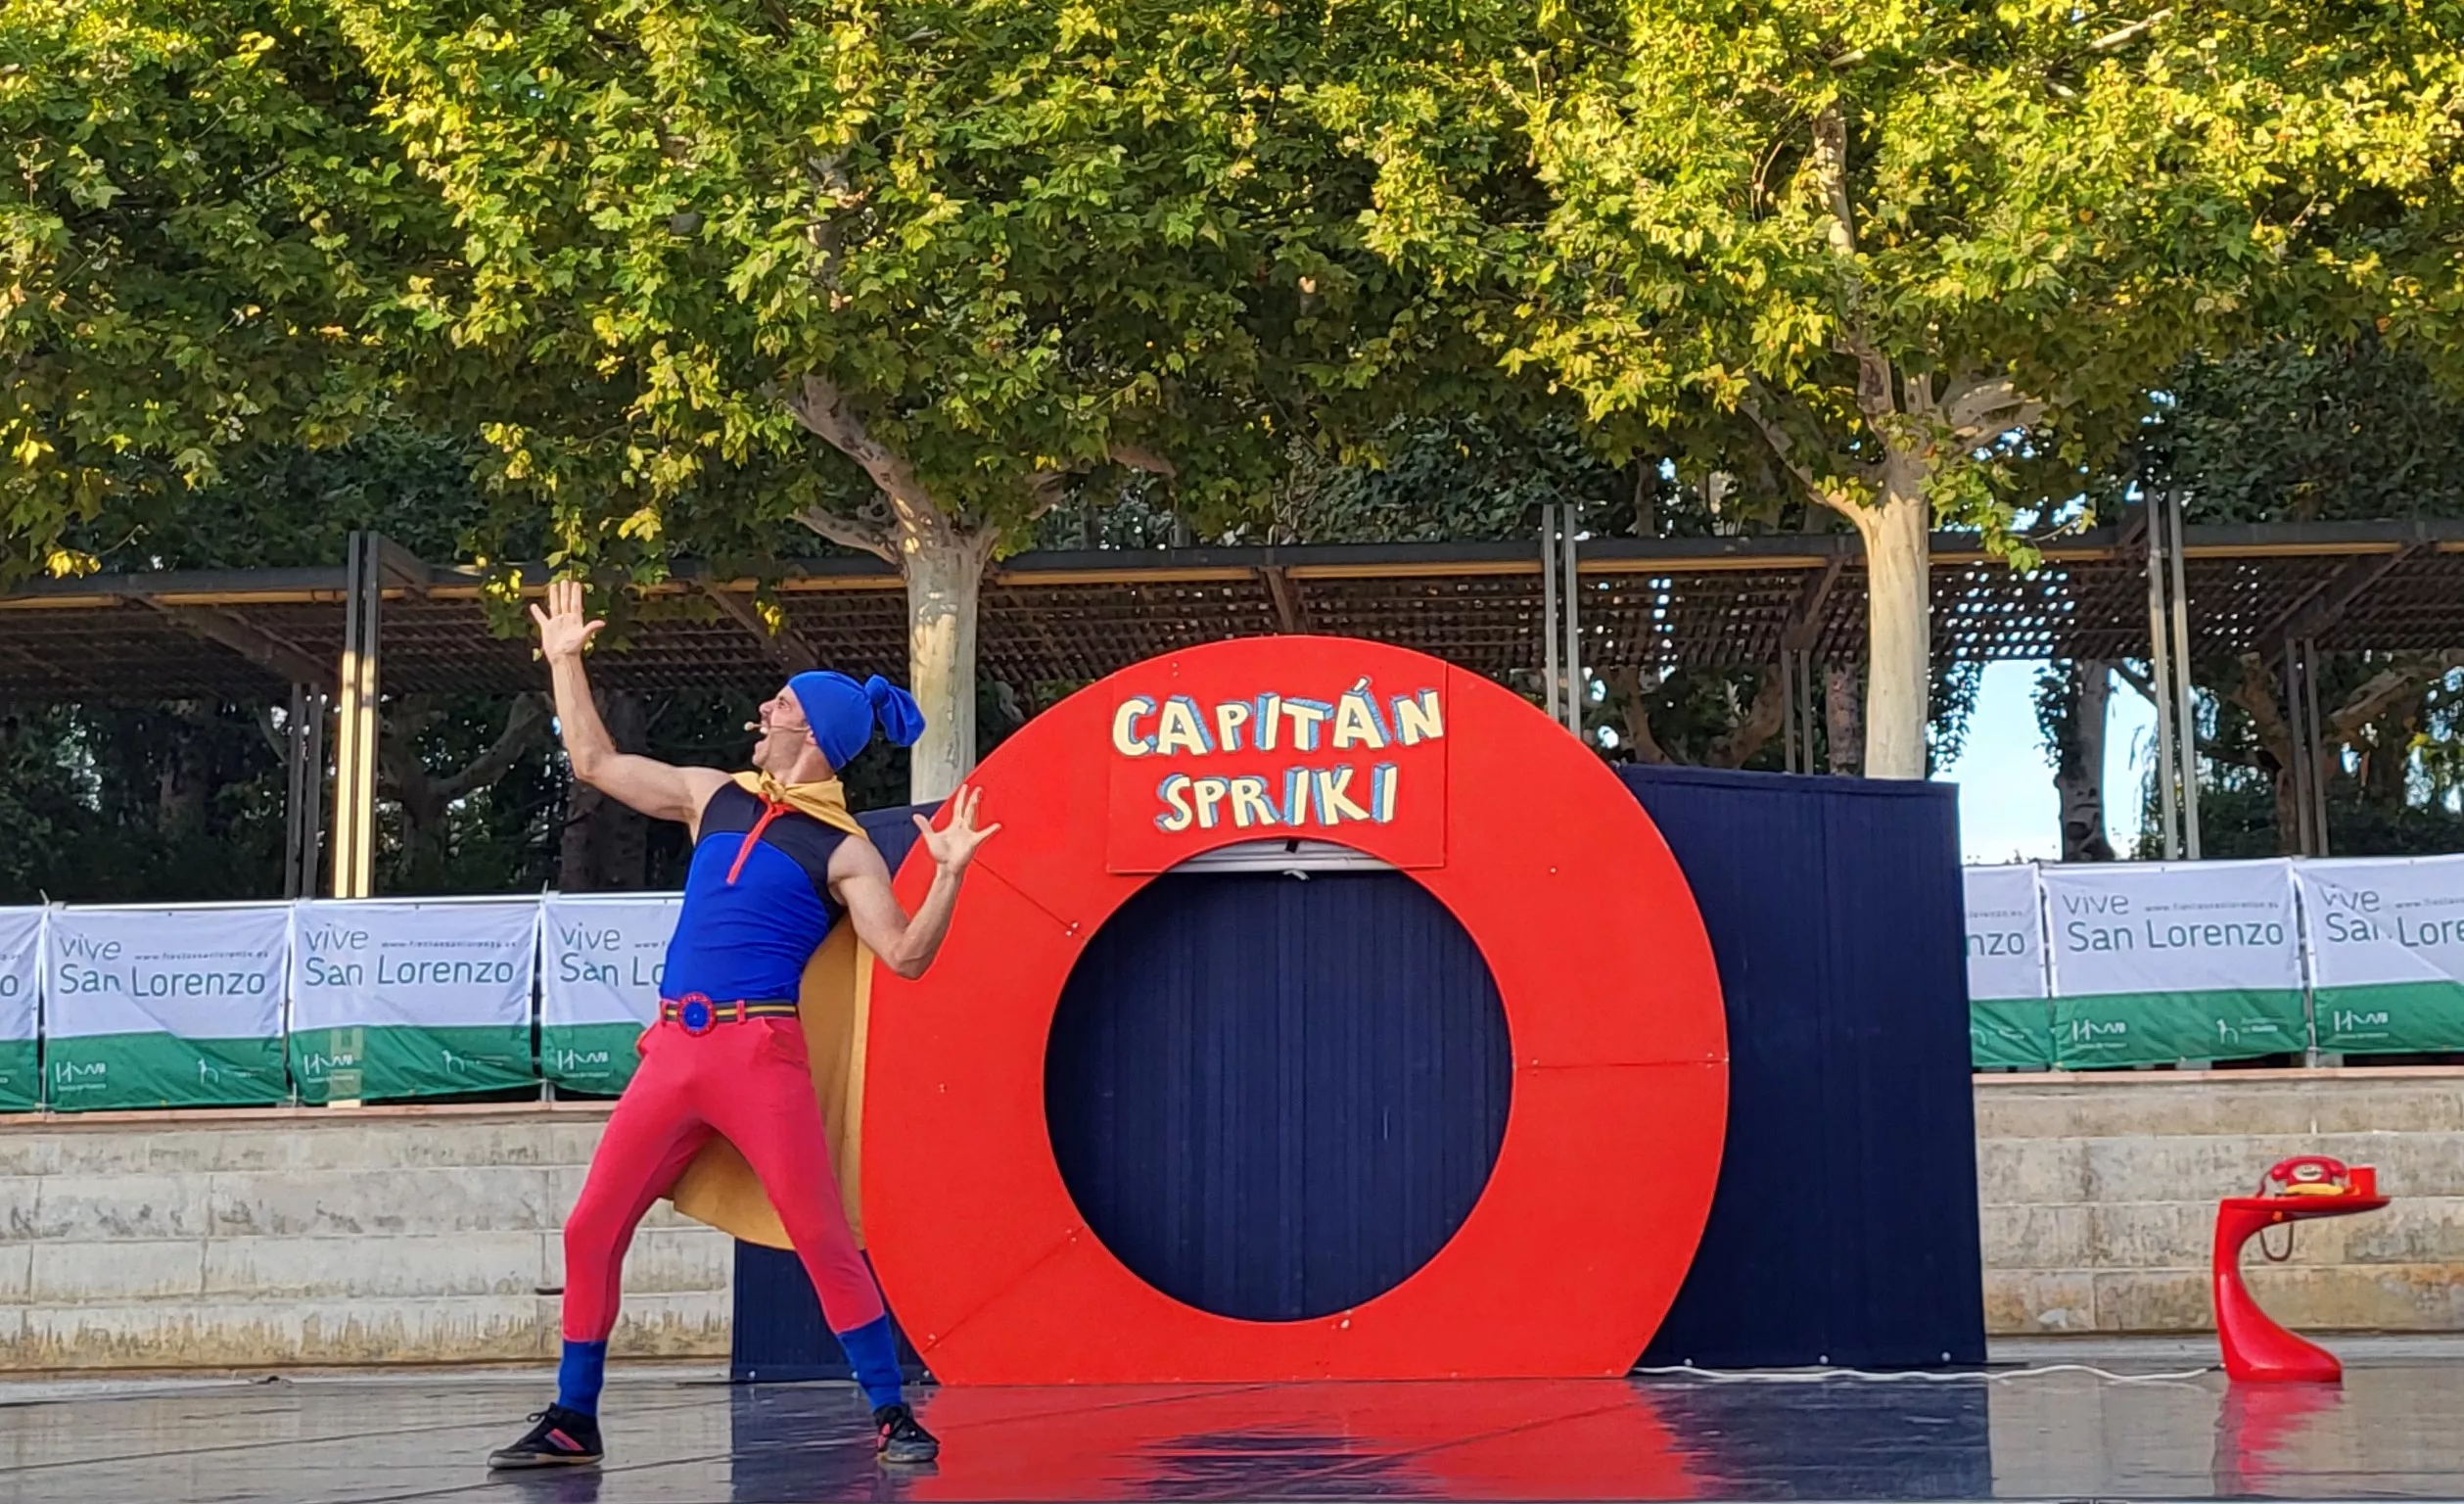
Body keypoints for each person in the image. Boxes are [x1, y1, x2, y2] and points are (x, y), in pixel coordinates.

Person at [489, 580, 998, 1471]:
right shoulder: (713, 795)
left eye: (782, 703)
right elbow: (596, 762)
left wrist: (949, 873)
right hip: (673, 1050)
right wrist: (566, 660)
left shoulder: (842, 849)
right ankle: (574, 1417)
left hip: (758, 1054)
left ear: (815, 734)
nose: (764, 710)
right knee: (589, 1229)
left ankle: (892, 1413)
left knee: (820, 1236)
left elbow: (906, 956)